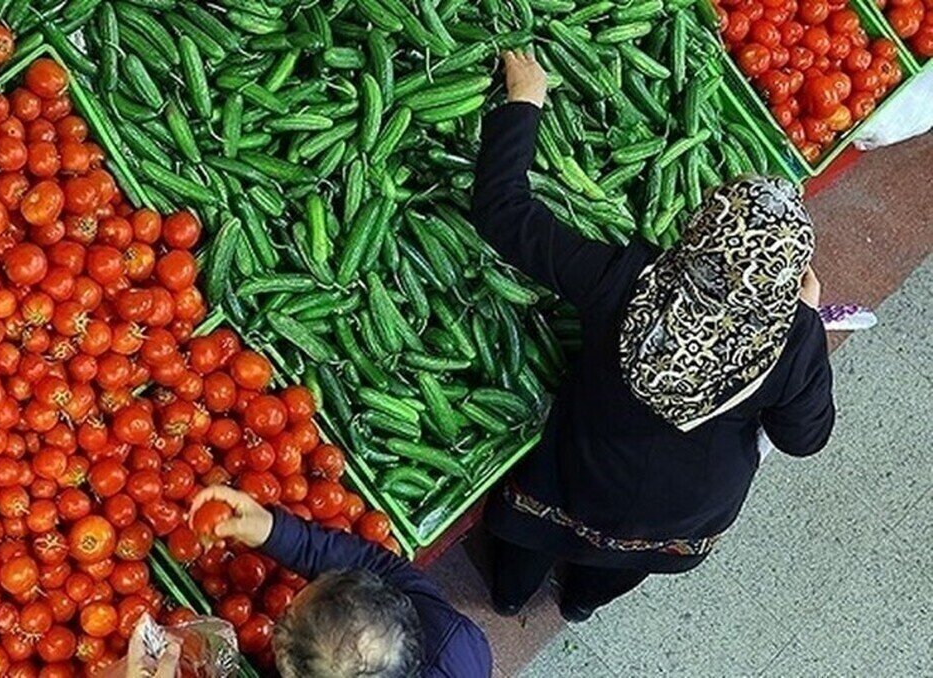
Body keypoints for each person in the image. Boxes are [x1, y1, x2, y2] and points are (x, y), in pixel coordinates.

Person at [472, 51, 836, 621]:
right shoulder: (794, 341)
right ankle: (580, 606)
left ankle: (509, 594)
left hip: (580, 476)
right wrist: (802, 318)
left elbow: (502, 213)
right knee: (616, 572)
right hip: (684, 512)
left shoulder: (623, 280)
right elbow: (803, 439)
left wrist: (525, 101)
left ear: (701, 230)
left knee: (528, 547)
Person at [187, 486, 492, 677]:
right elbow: (370, 562)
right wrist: (273, 531)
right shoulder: (458, 640)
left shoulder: (462, 639)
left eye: (287, 616)